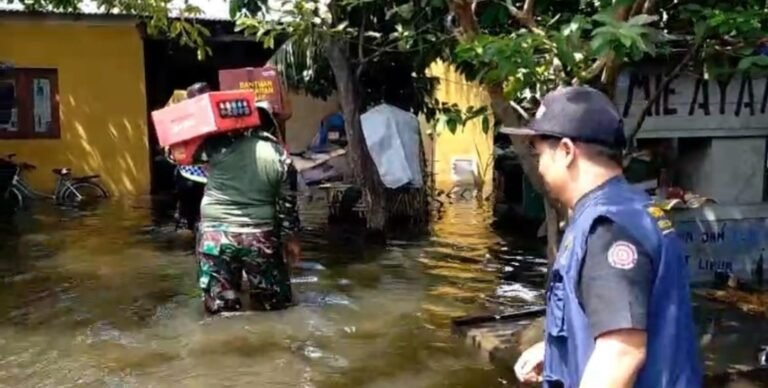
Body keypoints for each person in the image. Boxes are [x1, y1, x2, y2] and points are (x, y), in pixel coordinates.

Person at [503, 86, 701, 387]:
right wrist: (559, 352)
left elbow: (621, 353)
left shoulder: (607, 229)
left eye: (539, 152)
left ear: (567, 152)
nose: (538, 165)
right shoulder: (632, 208)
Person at [170, 98, 301, 314]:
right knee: (274, 308)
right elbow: (287, 208)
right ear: (271, 125)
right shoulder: (280, 156)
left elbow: (178, 155)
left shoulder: (216, 147)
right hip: (259, 237)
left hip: (215, 238)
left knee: (221, 310)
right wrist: (291, 241)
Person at [173, 82, 211, 232]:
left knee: (188, 218)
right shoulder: (212, 117)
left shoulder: (178, 119)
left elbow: (174, 148)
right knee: (198, 218)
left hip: (188, 174)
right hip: (196, 176)